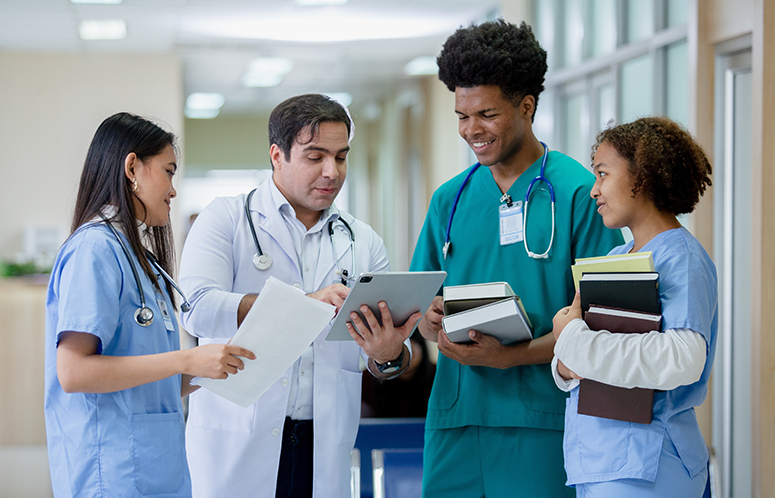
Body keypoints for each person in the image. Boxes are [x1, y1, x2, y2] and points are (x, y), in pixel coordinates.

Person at [409, 20, 624, 497]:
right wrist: (428, 316)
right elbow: (422, 315)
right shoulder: (451, 200)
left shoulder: (579, 194)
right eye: (462, 116)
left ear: (526, 106)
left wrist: (513, 357)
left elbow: (605, 321)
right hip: (456, 421)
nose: (472, 130)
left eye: (486, 113)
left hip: (544, 421)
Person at [178, 94, 418, 498]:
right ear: (277, 155)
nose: (332, 171)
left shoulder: (363, 241)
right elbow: (197, 309)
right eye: (315, 156)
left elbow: (387, 359)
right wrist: (302, 304)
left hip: (322, 443)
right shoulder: (226, 218)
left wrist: (389, 352)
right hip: (238, 441)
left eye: (341, 157)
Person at [44, 112, 255, 498]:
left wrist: (212, 369)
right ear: (132, 168)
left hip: (157, 471)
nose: (174, 190)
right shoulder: (95, 249)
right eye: (169, 171)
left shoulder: (139, 258)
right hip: (112, 473)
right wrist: (185, 361)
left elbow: (145, 383)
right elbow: (73, 372)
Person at [551, 116, 716, 498]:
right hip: (600, 460)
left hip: (650, 464)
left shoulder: (682, 258)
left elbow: (682, 358)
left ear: (641, 178)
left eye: (603, 175)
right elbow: (584, 358)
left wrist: (572, 338)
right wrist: (565, 363)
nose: (594, 191)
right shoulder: (618, 255)